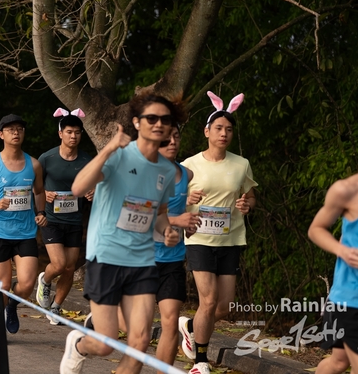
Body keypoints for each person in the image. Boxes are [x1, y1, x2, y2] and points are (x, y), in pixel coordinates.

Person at [59, 92, 182, 374]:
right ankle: (79, 345)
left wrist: (167, 231)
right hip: (106, 256)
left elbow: (159, 213)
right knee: (105, 344)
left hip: (142, 261)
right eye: (152, 118)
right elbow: (78, 188)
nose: (159, 124)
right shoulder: (119, 155)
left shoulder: (166, 170)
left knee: (140, 342)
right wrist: (109, 148)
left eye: (165, 119)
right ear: (137, 122)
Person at [178, 91, 257, 374]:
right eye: (219, 128)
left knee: (223, 307)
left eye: (229, 130)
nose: (224, 133)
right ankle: (200, 360)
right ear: (207, 131)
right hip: (199, 238)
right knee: (208, 301)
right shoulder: (189, 165)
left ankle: (190, 326)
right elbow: (171, 200)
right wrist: (186, 198)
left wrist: (247, 205)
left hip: (230, 239)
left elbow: (250, 196)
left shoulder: (241, 164)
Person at [0, 114, 47, 334]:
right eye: (10, 129)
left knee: (28, 283)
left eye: (19, 128)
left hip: (25, 232)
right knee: (2, 285)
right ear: (1, 135)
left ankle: (12, 305)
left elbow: (39, 191)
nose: (16, 132)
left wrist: (41, 211)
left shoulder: (34, 164)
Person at [36, 108, 93, 325]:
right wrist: (45, 195)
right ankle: (45, 279)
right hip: (51, 219)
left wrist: (92, 192)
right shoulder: (47, 158)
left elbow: (95, 184)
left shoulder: (86, 160)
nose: (73, 136)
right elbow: (35, 187)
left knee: (69, 268)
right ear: (60, 133)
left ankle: (56, 307)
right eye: (69, 132)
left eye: (77, 132)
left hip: (74, 220)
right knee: (59, 264)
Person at [153, 126, 200, 373]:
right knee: (136, 328)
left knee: (170, 323)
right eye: (166, 137)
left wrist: (188, 225)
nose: (172, 141)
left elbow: (182, 213)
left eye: (177, 136)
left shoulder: (186, 174)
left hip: (172, 260)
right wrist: (176, 220)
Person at [308, 172, 358, 374]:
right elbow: (316, 229)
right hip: (352, 299)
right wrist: (343, 251)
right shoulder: (347, 190)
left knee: (339, 362)